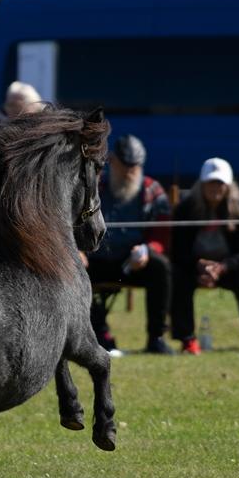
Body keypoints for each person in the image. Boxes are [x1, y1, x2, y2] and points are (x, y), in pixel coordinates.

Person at [83, 133, 173, 355]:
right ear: (112, 161)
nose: (130, 171)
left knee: (161, 267)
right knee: (74, 271)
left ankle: (156, 337)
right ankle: (100, 335)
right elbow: (73, 221)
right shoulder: (94, 187)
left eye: (135, 166)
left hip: (132, 263)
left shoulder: (153, 190)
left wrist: (148, 250)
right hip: (95, 259)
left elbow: (162, 233)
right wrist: (77, 250)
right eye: (126, 165)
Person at [171, 158, 239, 355]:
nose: (215, 187)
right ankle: (187, 340)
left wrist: (222, 267)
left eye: (220, 183)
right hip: (195, 267)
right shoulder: (186, 208)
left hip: (231, 268)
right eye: (210, 182)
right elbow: (177, 249)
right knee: (176, 275)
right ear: (201, 184)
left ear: (229, 185)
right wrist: (199, 265)